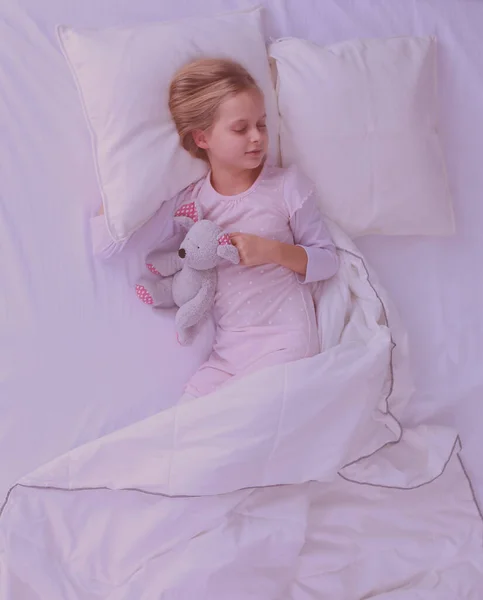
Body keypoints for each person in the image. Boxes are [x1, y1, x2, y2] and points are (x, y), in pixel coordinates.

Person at [93, 58, 339, 398]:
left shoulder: (286, 187)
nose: (256, 138)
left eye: (262, 125)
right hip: (228, 353)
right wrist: (120, 188)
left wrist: (272, 251)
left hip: (285, 342)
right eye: (241, 129)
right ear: (203, 138)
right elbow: (114, 245)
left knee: (247, 417)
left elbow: (327, 260)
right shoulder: (192, 203)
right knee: (189, 418)